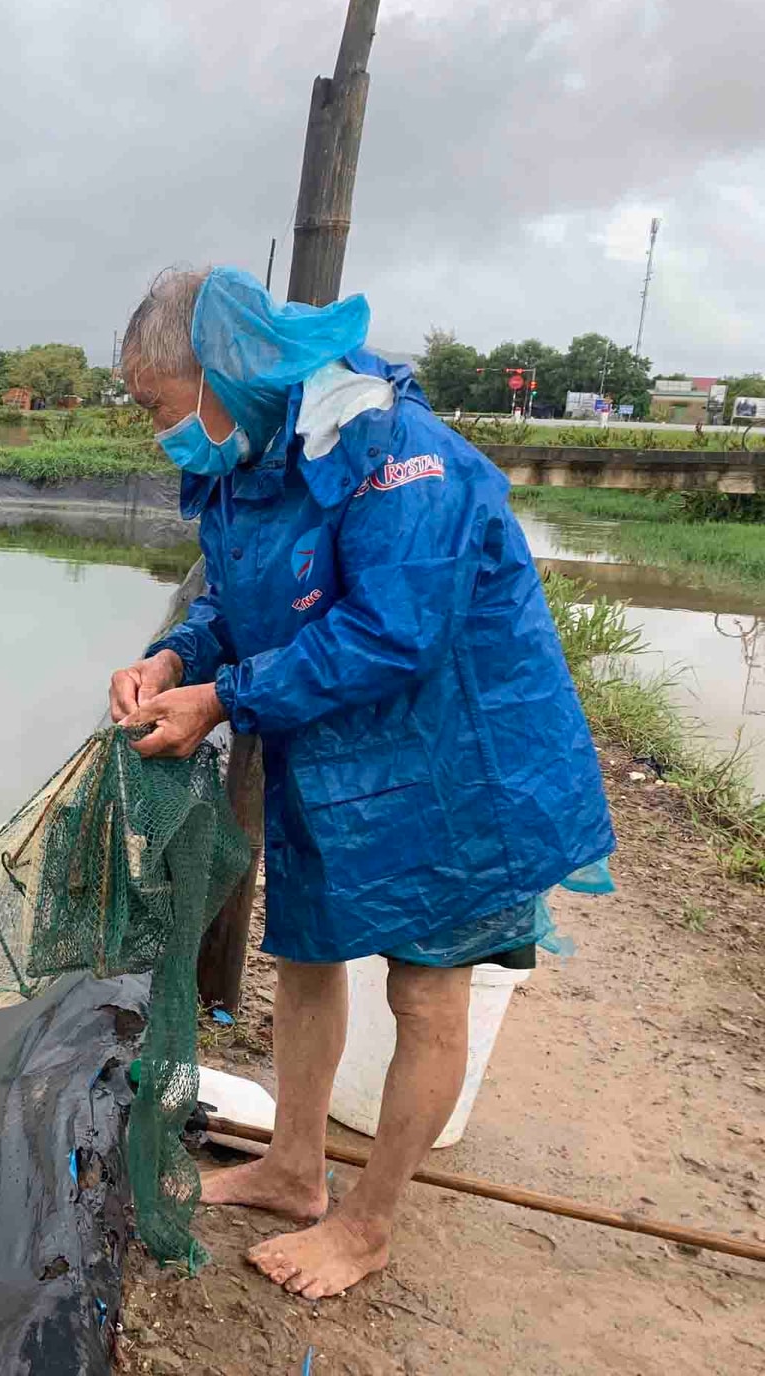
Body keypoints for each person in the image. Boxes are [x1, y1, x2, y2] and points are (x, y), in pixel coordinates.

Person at [108, 266, 614, 1299]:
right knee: (305, 957)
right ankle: (295, 1171)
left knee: (427, 993)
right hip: (343, 757)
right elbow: (243, 604)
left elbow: (392, 634)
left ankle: (369, 1224)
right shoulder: (248, 461)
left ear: (224, 374)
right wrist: (179, 659)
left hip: (463, 767)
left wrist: (222, 699)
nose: (159, 431)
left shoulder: (396, 455)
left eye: (159, 405)